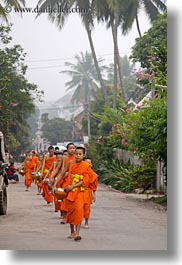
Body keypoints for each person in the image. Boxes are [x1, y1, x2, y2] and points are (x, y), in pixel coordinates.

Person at [63, 146, 92, 241]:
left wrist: (73, 186)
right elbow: (62, 174)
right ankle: (72, 231)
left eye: (80, 154)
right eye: (76, 154)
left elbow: (85, 180)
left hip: (80, 191)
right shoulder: (70, 164)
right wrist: (54, 183)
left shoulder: (86, 166)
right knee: (71, 211)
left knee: (79, 210)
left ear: (84, 155)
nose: (78, 156)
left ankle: (77, 233)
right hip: (70, 192)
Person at [83, 157, 98, 228]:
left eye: (89, 163)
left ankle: (86, 222)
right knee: (78, 207)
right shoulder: (80, 172)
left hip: (87, 192)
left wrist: (94, 195)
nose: (87, 164)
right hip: (79, 191)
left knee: (87, 208)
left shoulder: (93, 174)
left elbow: (94, 187)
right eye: (86, 163)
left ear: (91, 164)